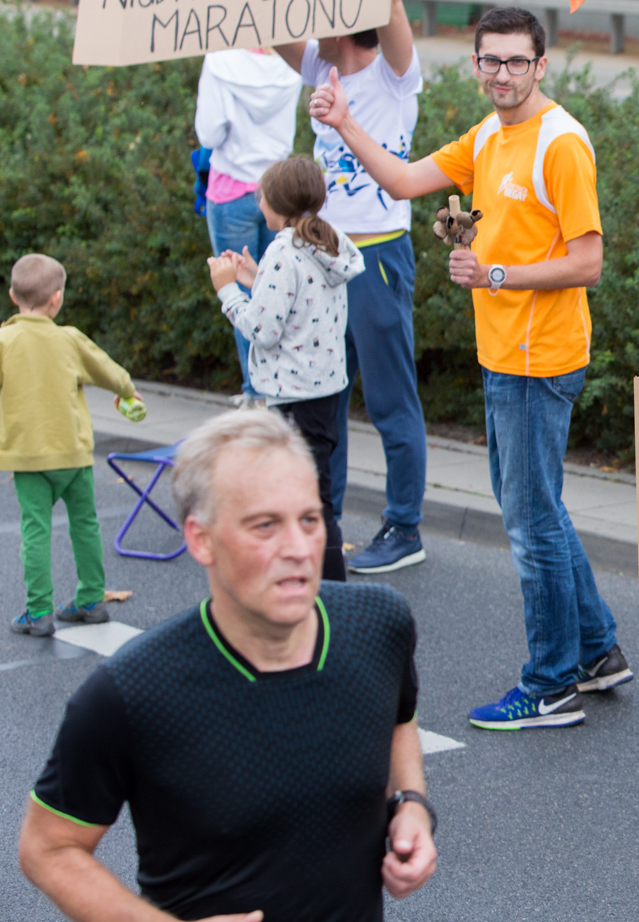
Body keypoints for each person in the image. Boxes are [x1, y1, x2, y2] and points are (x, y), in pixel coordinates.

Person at [306, 6, 633, 729]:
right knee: (539, 508)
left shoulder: (561, 142)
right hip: (502, 351)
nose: (503, 74)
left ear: (541, 66)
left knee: (529, 520)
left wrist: (494, 277)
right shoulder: (487, 136)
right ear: (477, 64)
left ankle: (550, 684)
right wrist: (343, 123)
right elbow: (400, 179)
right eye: (491, 60)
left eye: (518, 61)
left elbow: (589, 261)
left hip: (537, 357)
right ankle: (599, 650)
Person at [18, 409, 437, 921]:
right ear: (201, 539)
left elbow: (399, 719)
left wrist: (412, 802)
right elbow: (48, 849)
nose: (298, 549)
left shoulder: (379, 624)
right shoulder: (131, 692)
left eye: (309, 520)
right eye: (265, 525)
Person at [273, 0, 430, 576]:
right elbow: (259, 15)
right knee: (322, 393)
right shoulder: (319, 63)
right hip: (321, 255)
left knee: (390, 399)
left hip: (377, 253)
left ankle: (404, 525)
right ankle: (322, 518)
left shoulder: (394, 72)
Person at [207, 157, 365, 584]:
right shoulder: (325, 240)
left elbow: (263, 329)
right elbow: (302, 302)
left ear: (276, 202)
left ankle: (327, 592)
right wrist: (254, 278)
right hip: (324, 392)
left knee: (308, 501)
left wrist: (227, 291)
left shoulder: (282, 248)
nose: (258, 202)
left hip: (291, 396)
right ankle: (316, 585)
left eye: (261, 195)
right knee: (316, 494)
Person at [1, 254, 141, 637]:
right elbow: (109, 371)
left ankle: (38, 611)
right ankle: (92, 599)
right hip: (74, 454)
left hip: (28, 456)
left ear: (13, 296)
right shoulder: (70, 338)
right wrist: (127, 391)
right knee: (85, 523)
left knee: (34, 529)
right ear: (57, 299)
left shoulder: (4, 341)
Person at [193, 46, 301, 399]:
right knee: (278, 290)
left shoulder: (220, 61)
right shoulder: (292, 59)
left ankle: (256, 392)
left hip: (231, 192)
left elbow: (209, 134)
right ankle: (279, 389)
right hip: (278, 189)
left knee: (239, 292)